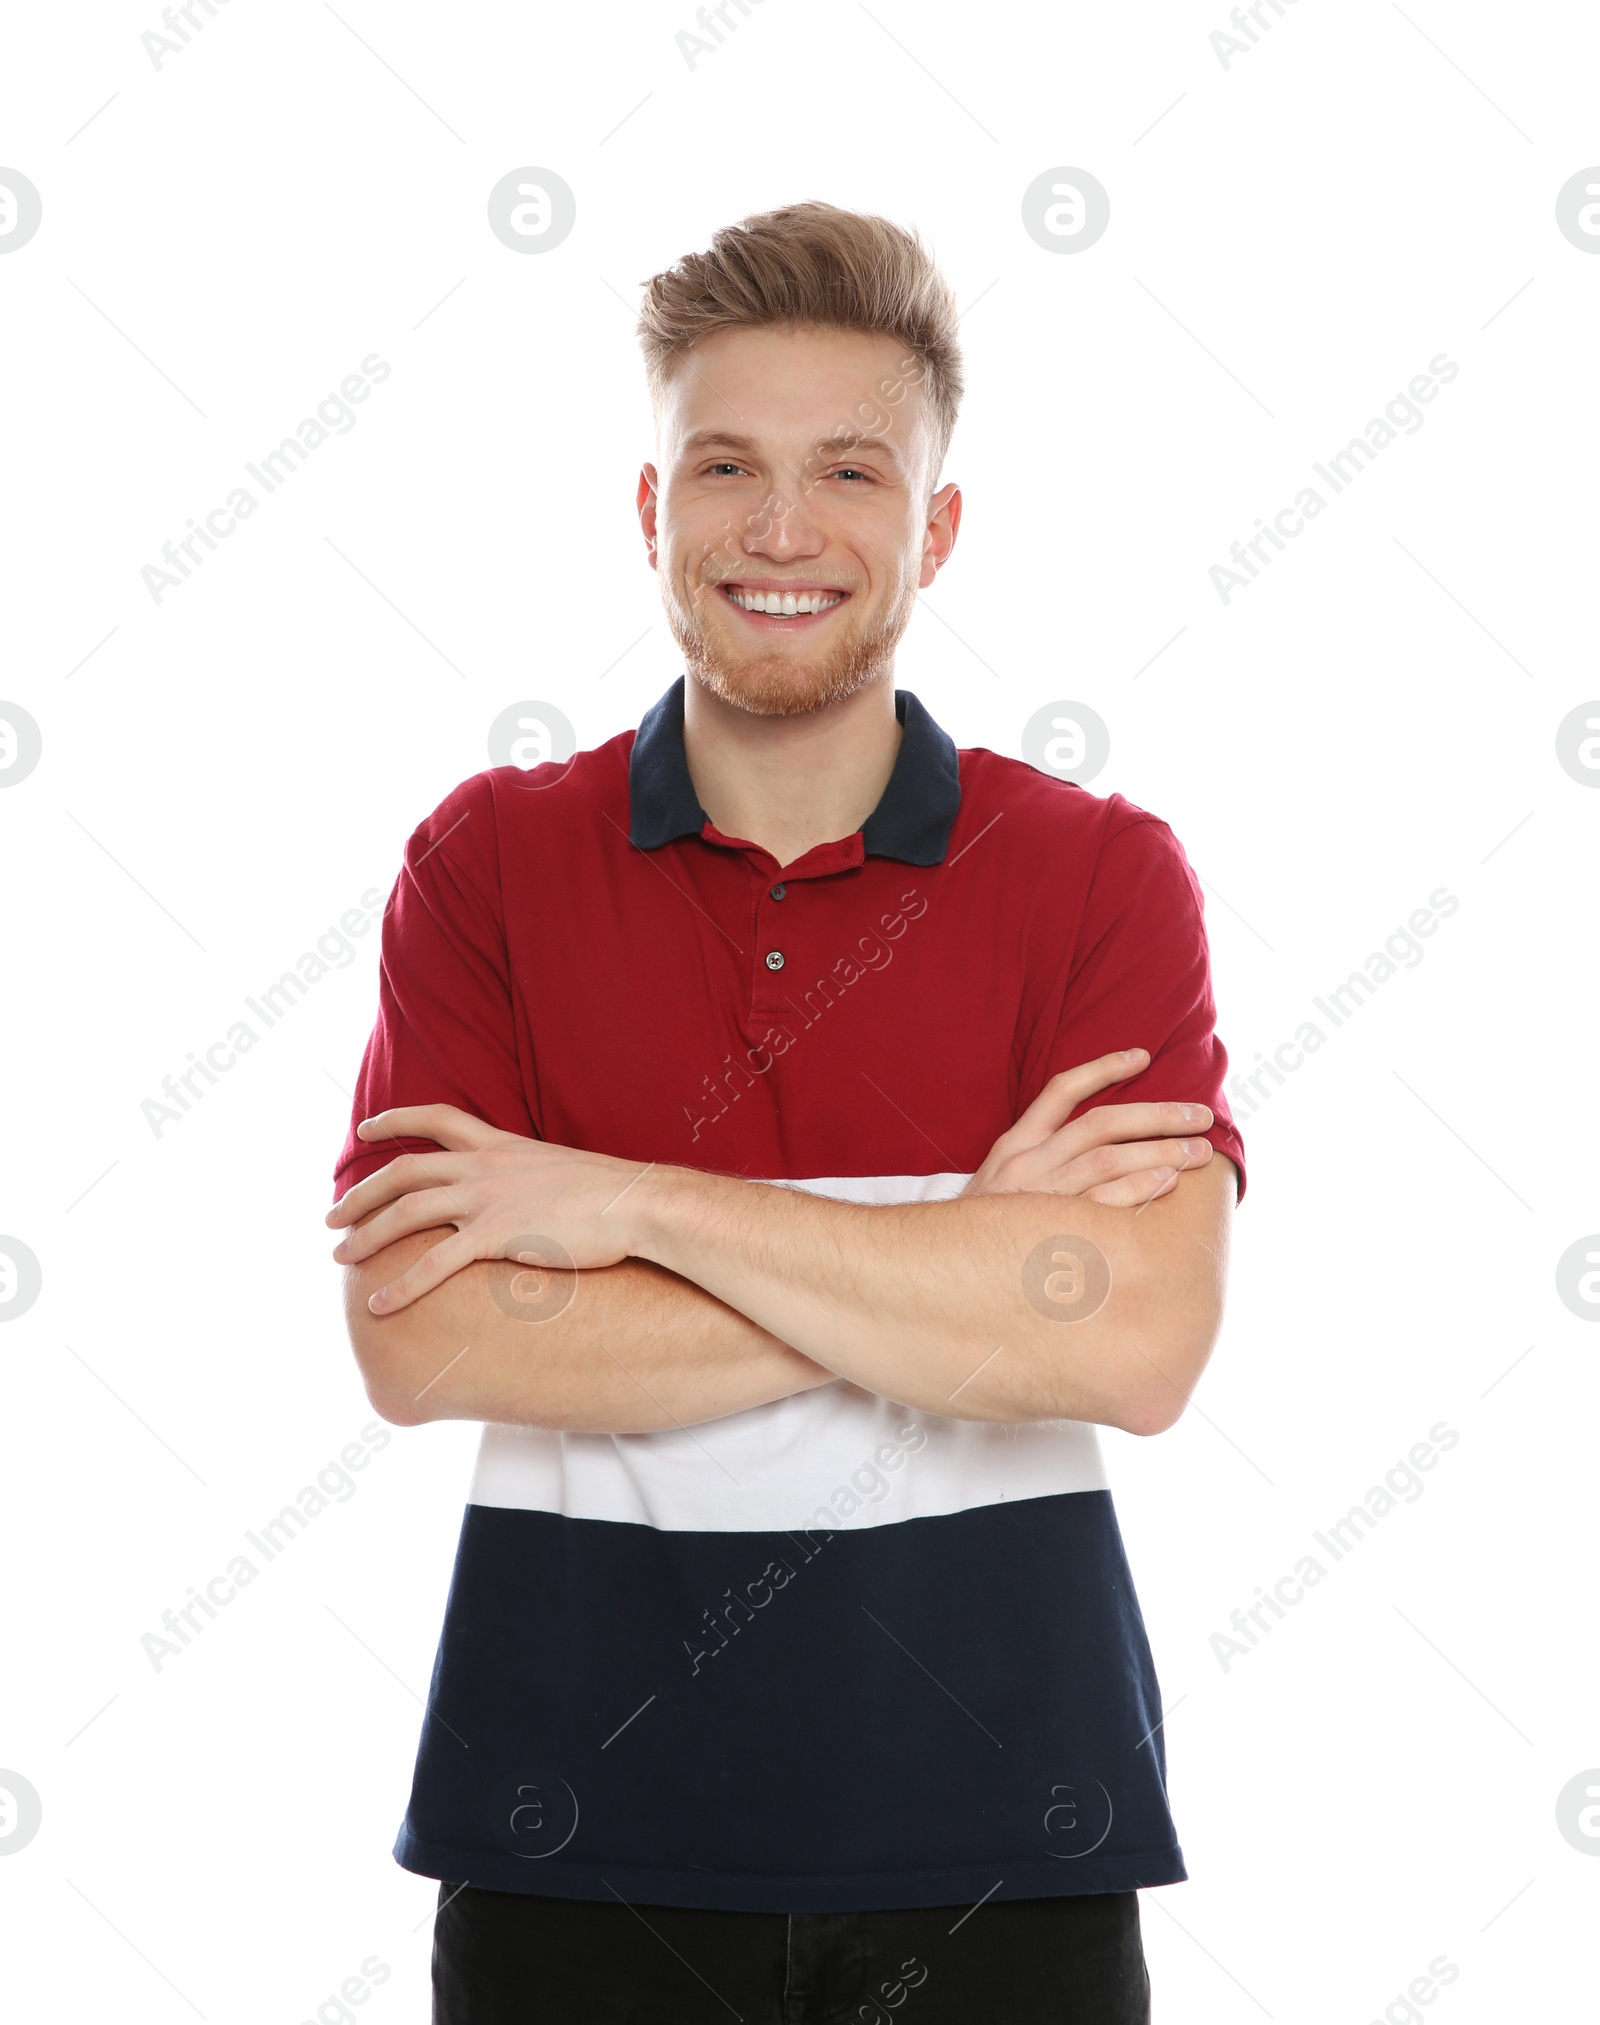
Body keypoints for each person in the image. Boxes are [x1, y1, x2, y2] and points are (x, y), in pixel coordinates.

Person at [327, 200, 1246, 2025]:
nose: (781, 528)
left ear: (938, 526)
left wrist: (629, 1207)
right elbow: (421, 1337)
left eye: (851, 471)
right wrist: (962, 1259)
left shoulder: (1099, 875)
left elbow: (1136, 1343)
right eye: (724, 465)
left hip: (1010, 1836)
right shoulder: (489, 859)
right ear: (652, 510)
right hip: (573, 1838)